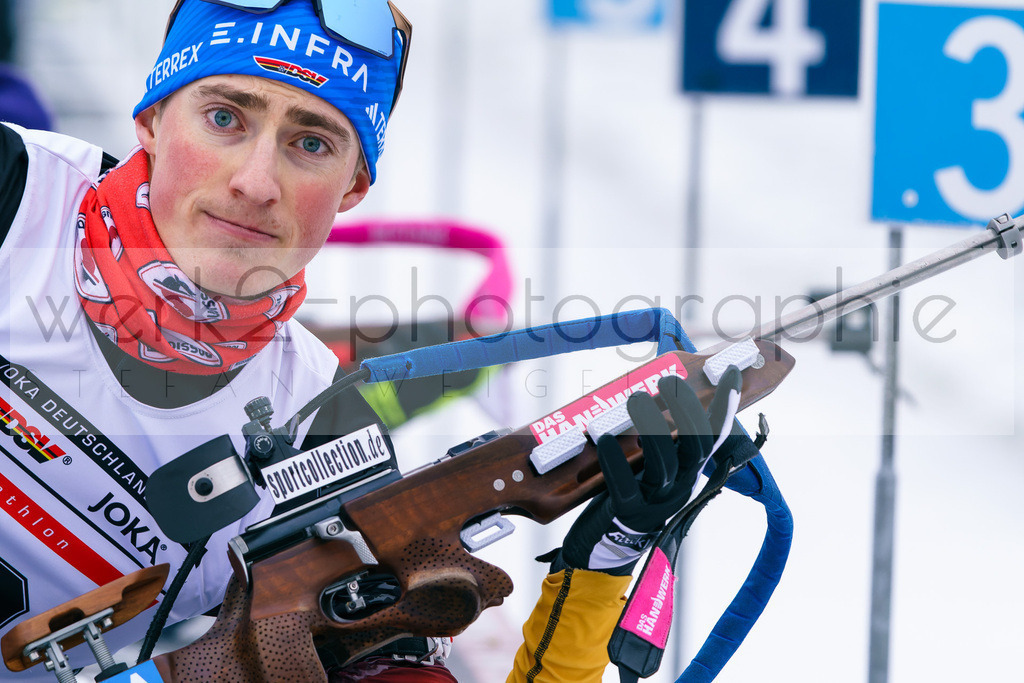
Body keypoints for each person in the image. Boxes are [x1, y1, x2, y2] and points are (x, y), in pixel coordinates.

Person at [0, 2, 753, 681]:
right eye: (226, 118)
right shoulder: (15, 198)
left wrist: (598, 570)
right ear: (152, 120)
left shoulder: (325, 437)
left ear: (354, 187)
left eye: (311, 144)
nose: (256, 182)